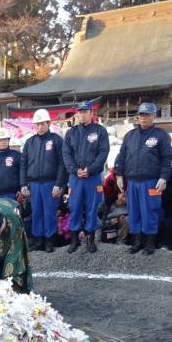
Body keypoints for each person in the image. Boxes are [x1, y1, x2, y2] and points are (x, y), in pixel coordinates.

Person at [113, 102, 172, 255]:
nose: (144, 118)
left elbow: (166, 159)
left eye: (147, 115)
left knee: (150, 211)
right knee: (134, 212)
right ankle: (136, 242)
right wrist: (119, 174)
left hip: (151, 181)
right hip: (132, 181)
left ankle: (149, 243)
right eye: (141, 115)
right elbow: (122, 156)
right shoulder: (130, 135)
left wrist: (163, 177)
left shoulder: (161, 135)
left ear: (154, 116)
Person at [62, 101, 110, 253]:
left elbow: (103, 153)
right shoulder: (71, 133)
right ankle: (74, 239)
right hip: (75, 178)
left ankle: (90, 238)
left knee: (92, 207)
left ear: (91, 113)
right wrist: (74, 170)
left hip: (93, 177)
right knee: (74, 207)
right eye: (80, 112)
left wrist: (91, 169)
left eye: (85, 112)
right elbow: (66, 154)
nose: (82, 114)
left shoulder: (100, 131)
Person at [20, 109, 66, 252]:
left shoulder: (57, 140)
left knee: (49, 212)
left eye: (42, 124)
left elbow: (62, 164)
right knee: (37, 212)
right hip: (34, 184)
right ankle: (38, 240)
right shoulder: (29, 142)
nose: (40, 127)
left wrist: (59, 184)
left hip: (50, 183)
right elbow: (23, 164)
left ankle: (49, 241)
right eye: (37, 124)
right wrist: (23, 184)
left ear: (48, 123)